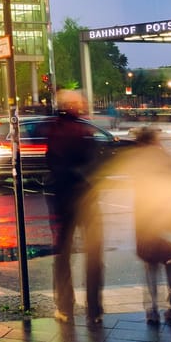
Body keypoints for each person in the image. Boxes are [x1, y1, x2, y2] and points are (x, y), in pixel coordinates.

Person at [40, 90, 106, 324]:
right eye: (80, 102)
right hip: (86, 199)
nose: (84, 104)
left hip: (62, 199)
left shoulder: (54, 130)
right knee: (94, 253)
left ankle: (65, 306)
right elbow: (94, 164)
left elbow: (51, 162)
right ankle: (95, 308)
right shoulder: (84, 131)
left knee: (63, 253)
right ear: (72, 106)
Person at [124, 126, 171, 326]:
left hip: (147, 221)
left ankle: (151, 310)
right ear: (156, 141)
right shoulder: (167, 159)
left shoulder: (138, 162)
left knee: (150, 266)